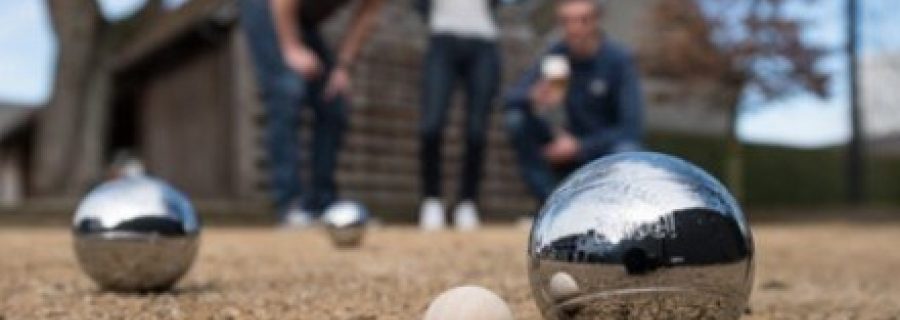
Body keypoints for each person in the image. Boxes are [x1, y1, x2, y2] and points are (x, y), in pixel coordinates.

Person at [239, 0, 385, 226]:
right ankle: (289, 203)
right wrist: (290, 48)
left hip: (301, 18)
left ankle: (322, 202)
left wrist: (343, 68)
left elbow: (366, 16)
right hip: (267, 6)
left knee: (334, 101)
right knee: (287, 90)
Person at [505, 0, 644, 202]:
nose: (574, 28)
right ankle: (549, 203)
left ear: (597, 21)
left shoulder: (619, 60)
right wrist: (533, 95)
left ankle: (611, 208)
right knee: (516, 119)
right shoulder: (556, 55)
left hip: (599, 149)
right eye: (566, 21)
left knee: (627, 150)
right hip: (558, 141)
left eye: (583, 20)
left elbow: (630, 127)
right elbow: (510, 98)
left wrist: (580, 146)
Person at [414, 0, 502, 231]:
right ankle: (431, 199)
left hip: (484, 42)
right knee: (431, 125)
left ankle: (467, 202)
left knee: (476, 130)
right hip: (442, 39)